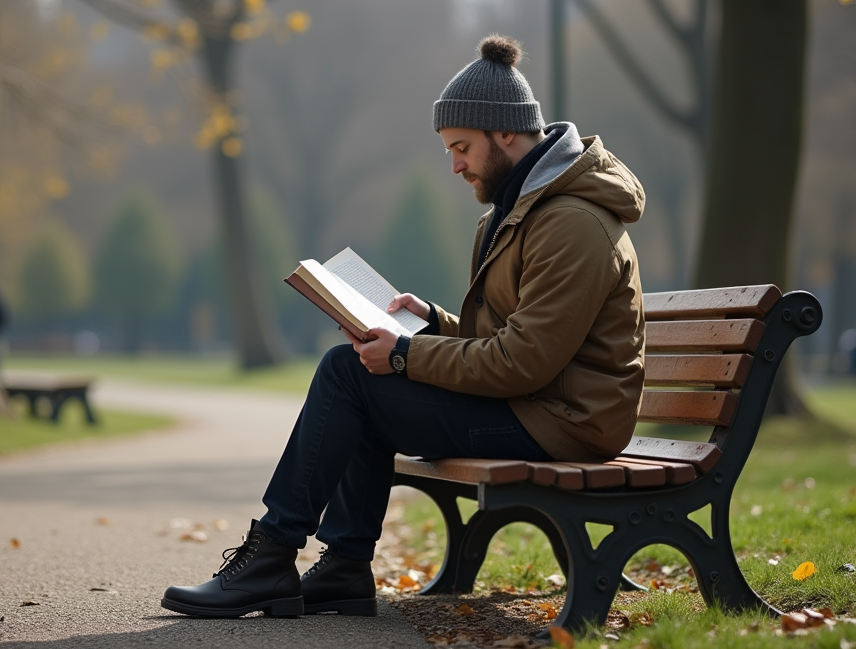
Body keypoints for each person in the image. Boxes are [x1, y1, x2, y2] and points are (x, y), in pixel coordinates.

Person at [160, 34, 646, 619]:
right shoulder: (519, 212)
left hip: (563, 422)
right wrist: (431, 323)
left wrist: (402, 355)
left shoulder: (569, 223)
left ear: (506, 134)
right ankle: (341, 567)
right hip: (537, 406)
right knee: (360, 377)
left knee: (351, 373)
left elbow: (525, 362)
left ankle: (273, 555)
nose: (455, 164)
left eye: (462, 147)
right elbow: (509, 339)